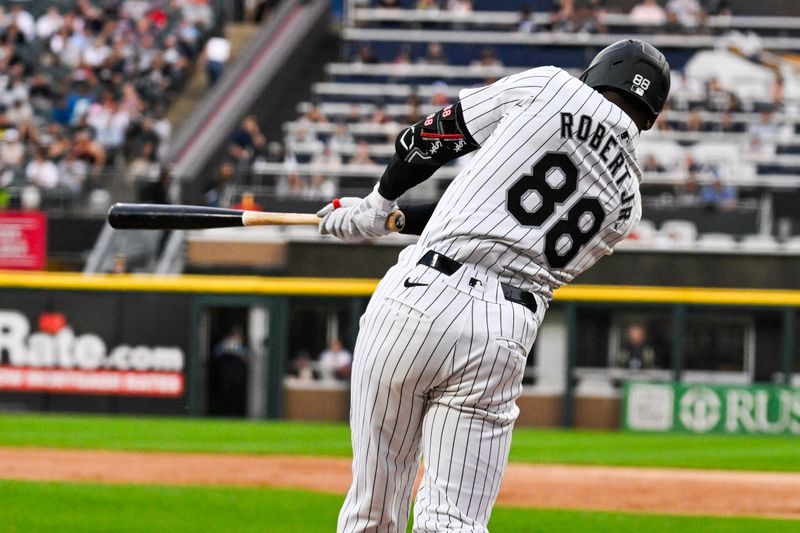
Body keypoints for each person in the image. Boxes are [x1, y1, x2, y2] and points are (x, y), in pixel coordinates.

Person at [316, 39, 670, 532]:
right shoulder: (629, 199)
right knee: (453, 522)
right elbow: (505, 217)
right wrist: (392, 220)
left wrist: (377, 203)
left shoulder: (550, 85)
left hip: (419, 299)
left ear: (598, 72)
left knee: (373, 512)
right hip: (505, 331)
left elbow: (431, 138)